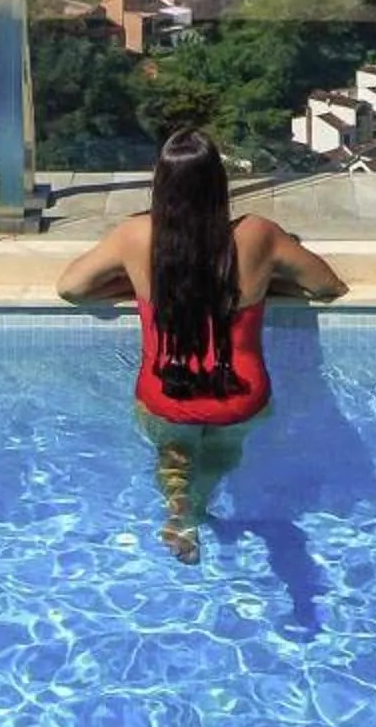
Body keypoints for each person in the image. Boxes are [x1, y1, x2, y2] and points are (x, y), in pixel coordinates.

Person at [56, 128, 346, 562]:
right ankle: (202, 501)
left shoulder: (135, 237)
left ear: (160, 185)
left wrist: (130, 283)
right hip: (239, 398)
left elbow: (71, 288)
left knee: (174, 454)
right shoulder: (258, 235)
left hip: (166, 394)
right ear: (219, 185)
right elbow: (327, 286)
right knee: (223, 452)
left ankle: (181, 513)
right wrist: (266, 281)